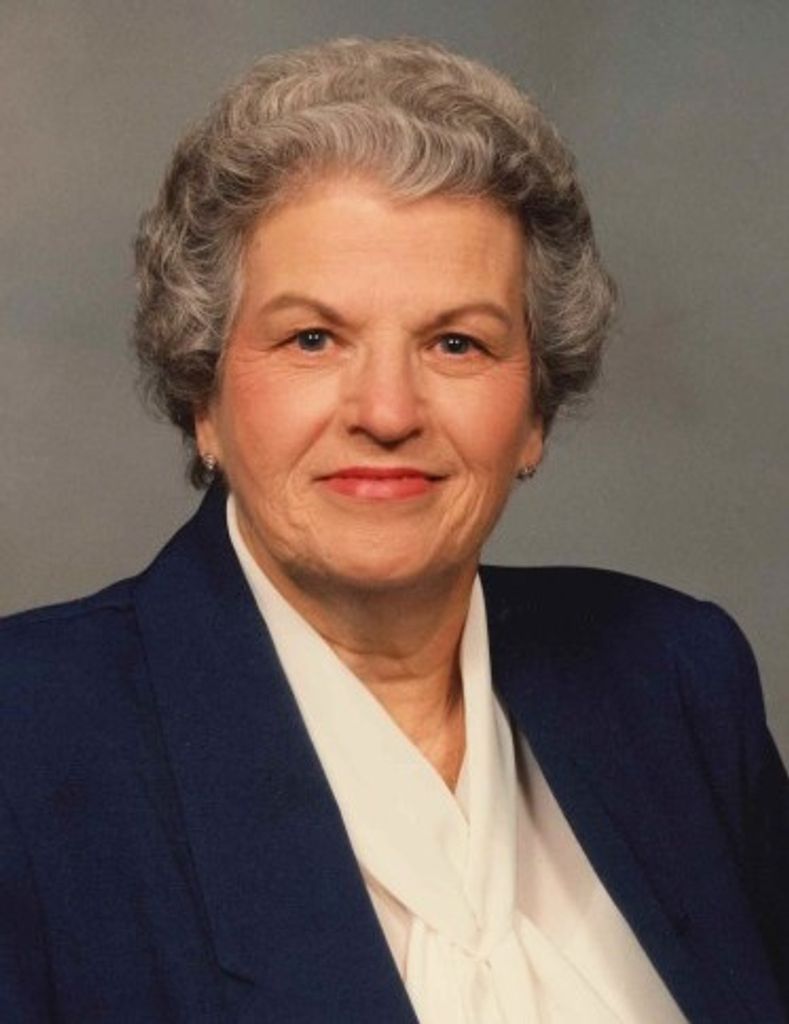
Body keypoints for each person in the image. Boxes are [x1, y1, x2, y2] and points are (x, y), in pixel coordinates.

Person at [0, 36, 786, 1024]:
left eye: (457, 342)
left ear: (534, 412)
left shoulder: (672, 678)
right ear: (204, 394)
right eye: (313, 338)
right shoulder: (28, 741)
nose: (386, 410)